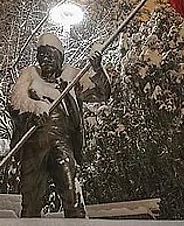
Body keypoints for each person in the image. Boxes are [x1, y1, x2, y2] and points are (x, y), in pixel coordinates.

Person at [9, 33, 111, 218]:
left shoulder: (72, 76)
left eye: (50, 55)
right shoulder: (30, 75)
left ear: (59, 57)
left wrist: (97, 69)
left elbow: (101, 93)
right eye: (41, 55)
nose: (45, 60)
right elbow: (15, 103)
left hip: (62, 143)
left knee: (70, 193)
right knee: (31, 199)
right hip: (34, 144)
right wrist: (34, 109)